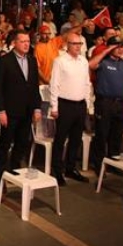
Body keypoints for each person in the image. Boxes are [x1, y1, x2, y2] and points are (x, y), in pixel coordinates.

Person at [0, 30, 41, 185]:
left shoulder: (32, 61)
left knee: (22, 142)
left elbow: (34, 86)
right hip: (9, 110)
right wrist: (1, 110)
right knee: (5, 143)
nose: (27, 44)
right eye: (23, 41)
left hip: (27, 110)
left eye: (28, 41)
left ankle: (15, 170)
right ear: (14, 43)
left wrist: (37, 108)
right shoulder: (4, 61)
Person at [49, 34, 92, 186]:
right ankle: (57, 170)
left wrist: (87, 103)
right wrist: (54, 106)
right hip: (64, 104)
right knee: (60, 139)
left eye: (80, 43)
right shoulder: (60, 61)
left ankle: (71, 168)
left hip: (80, 105)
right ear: (67, 44)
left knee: (76, 139)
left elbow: (87, 83)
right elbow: (54, 84)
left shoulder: (83, 61)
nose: (78, 46)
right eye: (74, 44)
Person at [88, 36, 123, 174]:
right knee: (102, 134)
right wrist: (107, 50)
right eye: (117, 46)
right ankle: (98, 164)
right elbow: (90, 65)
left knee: (117, 135)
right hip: (105, 102)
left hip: (120, 103)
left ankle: (113, 163)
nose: (121, 49)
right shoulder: (103, 61)